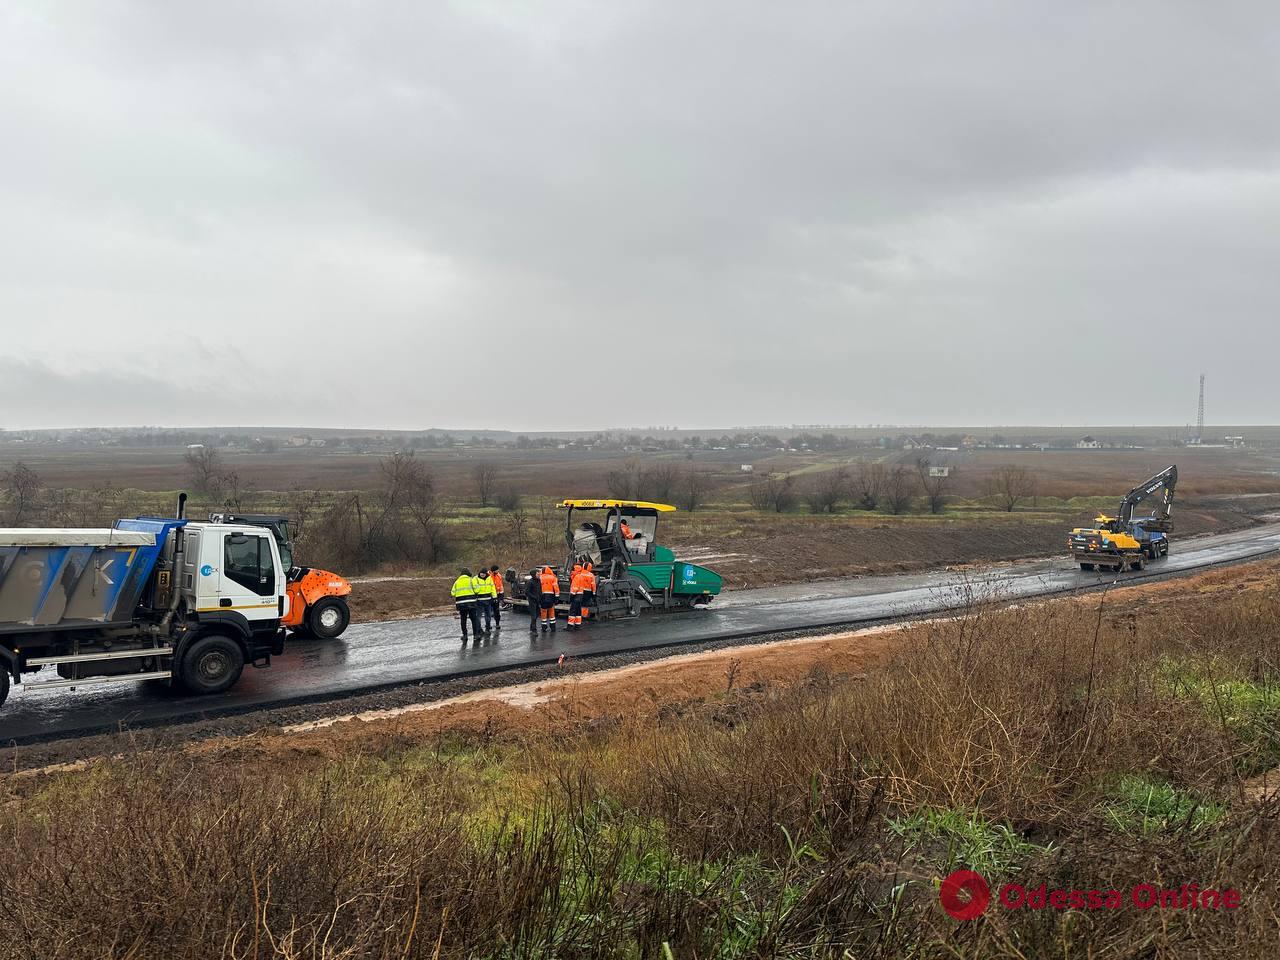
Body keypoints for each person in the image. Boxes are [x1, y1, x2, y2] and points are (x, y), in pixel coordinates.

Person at [450, 567, 481, 642]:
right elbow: (477, 590)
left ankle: (465, 635)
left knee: (463, 619)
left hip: (461, 604)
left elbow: (452, 593)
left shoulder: (457, 582)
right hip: (471, 603)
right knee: (474, 619)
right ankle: (476, 635)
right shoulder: (471, 580)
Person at [473, 568, 495, 635]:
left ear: (486, 573)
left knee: (488, 615)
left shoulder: (489, 578)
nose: (482, 574)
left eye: (484, 573)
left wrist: (494, 597)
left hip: (488, 600)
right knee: (478, 616)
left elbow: (492, 587)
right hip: (479, 600)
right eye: (481, 573)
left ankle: (487, 629)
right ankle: (479, 629)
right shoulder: (475, 579)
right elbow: (475, 589)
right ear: (479, 573)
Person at [538, 565, 560, 632]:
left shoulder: (540, 578)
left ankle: (544, 627)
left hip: (542, 596)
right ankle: (553, 627)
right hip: (551, 597)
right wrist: (557, 597)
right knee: (551, 612)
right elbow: (556, 588)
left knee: (543, 612)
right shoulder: (553, 578)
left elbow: (538, 588)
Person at [566, 563, 584, 630]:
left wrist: (571, 596)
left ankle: (570, 626)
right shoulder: (580, 576)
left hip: (576, 596)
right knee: (578, 611)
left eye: (572, 570)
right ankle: (577, 625)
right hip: (580, 595)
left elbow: (575, 588)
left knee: (572, 611)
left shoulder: (576, 577)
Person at [525, 568, 541, 634]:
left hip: (538, 600)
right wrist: (534, 597)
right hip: (532, 601)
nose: (539, 574)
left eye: (539, 573)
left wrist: (541, 597)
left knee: (537, 614)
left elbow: (540, 590)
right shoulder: (530, 582)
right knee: (533, 616)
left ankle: (531, 628)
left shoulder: (539, 581)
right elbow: (527, 592)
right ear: (534, 574)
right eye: (538, 574)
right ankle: (534, 630)